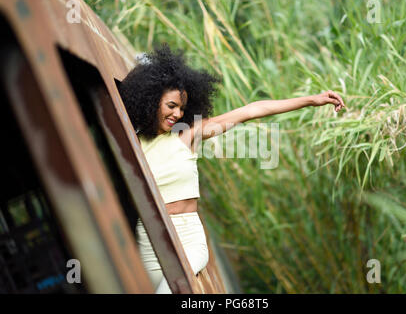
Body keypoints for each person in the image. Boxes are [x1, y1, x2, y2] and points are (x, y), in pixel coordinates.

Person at [118, 44, 345, 293]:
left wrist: (313, 100)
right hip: (149, 237)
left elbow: (250, 111)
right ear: (150, 101)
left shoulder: (187, 134)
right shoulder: (134, 143)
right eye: (171, 105)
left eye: (182, 108)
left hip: (188, 238)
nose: (177, 113)